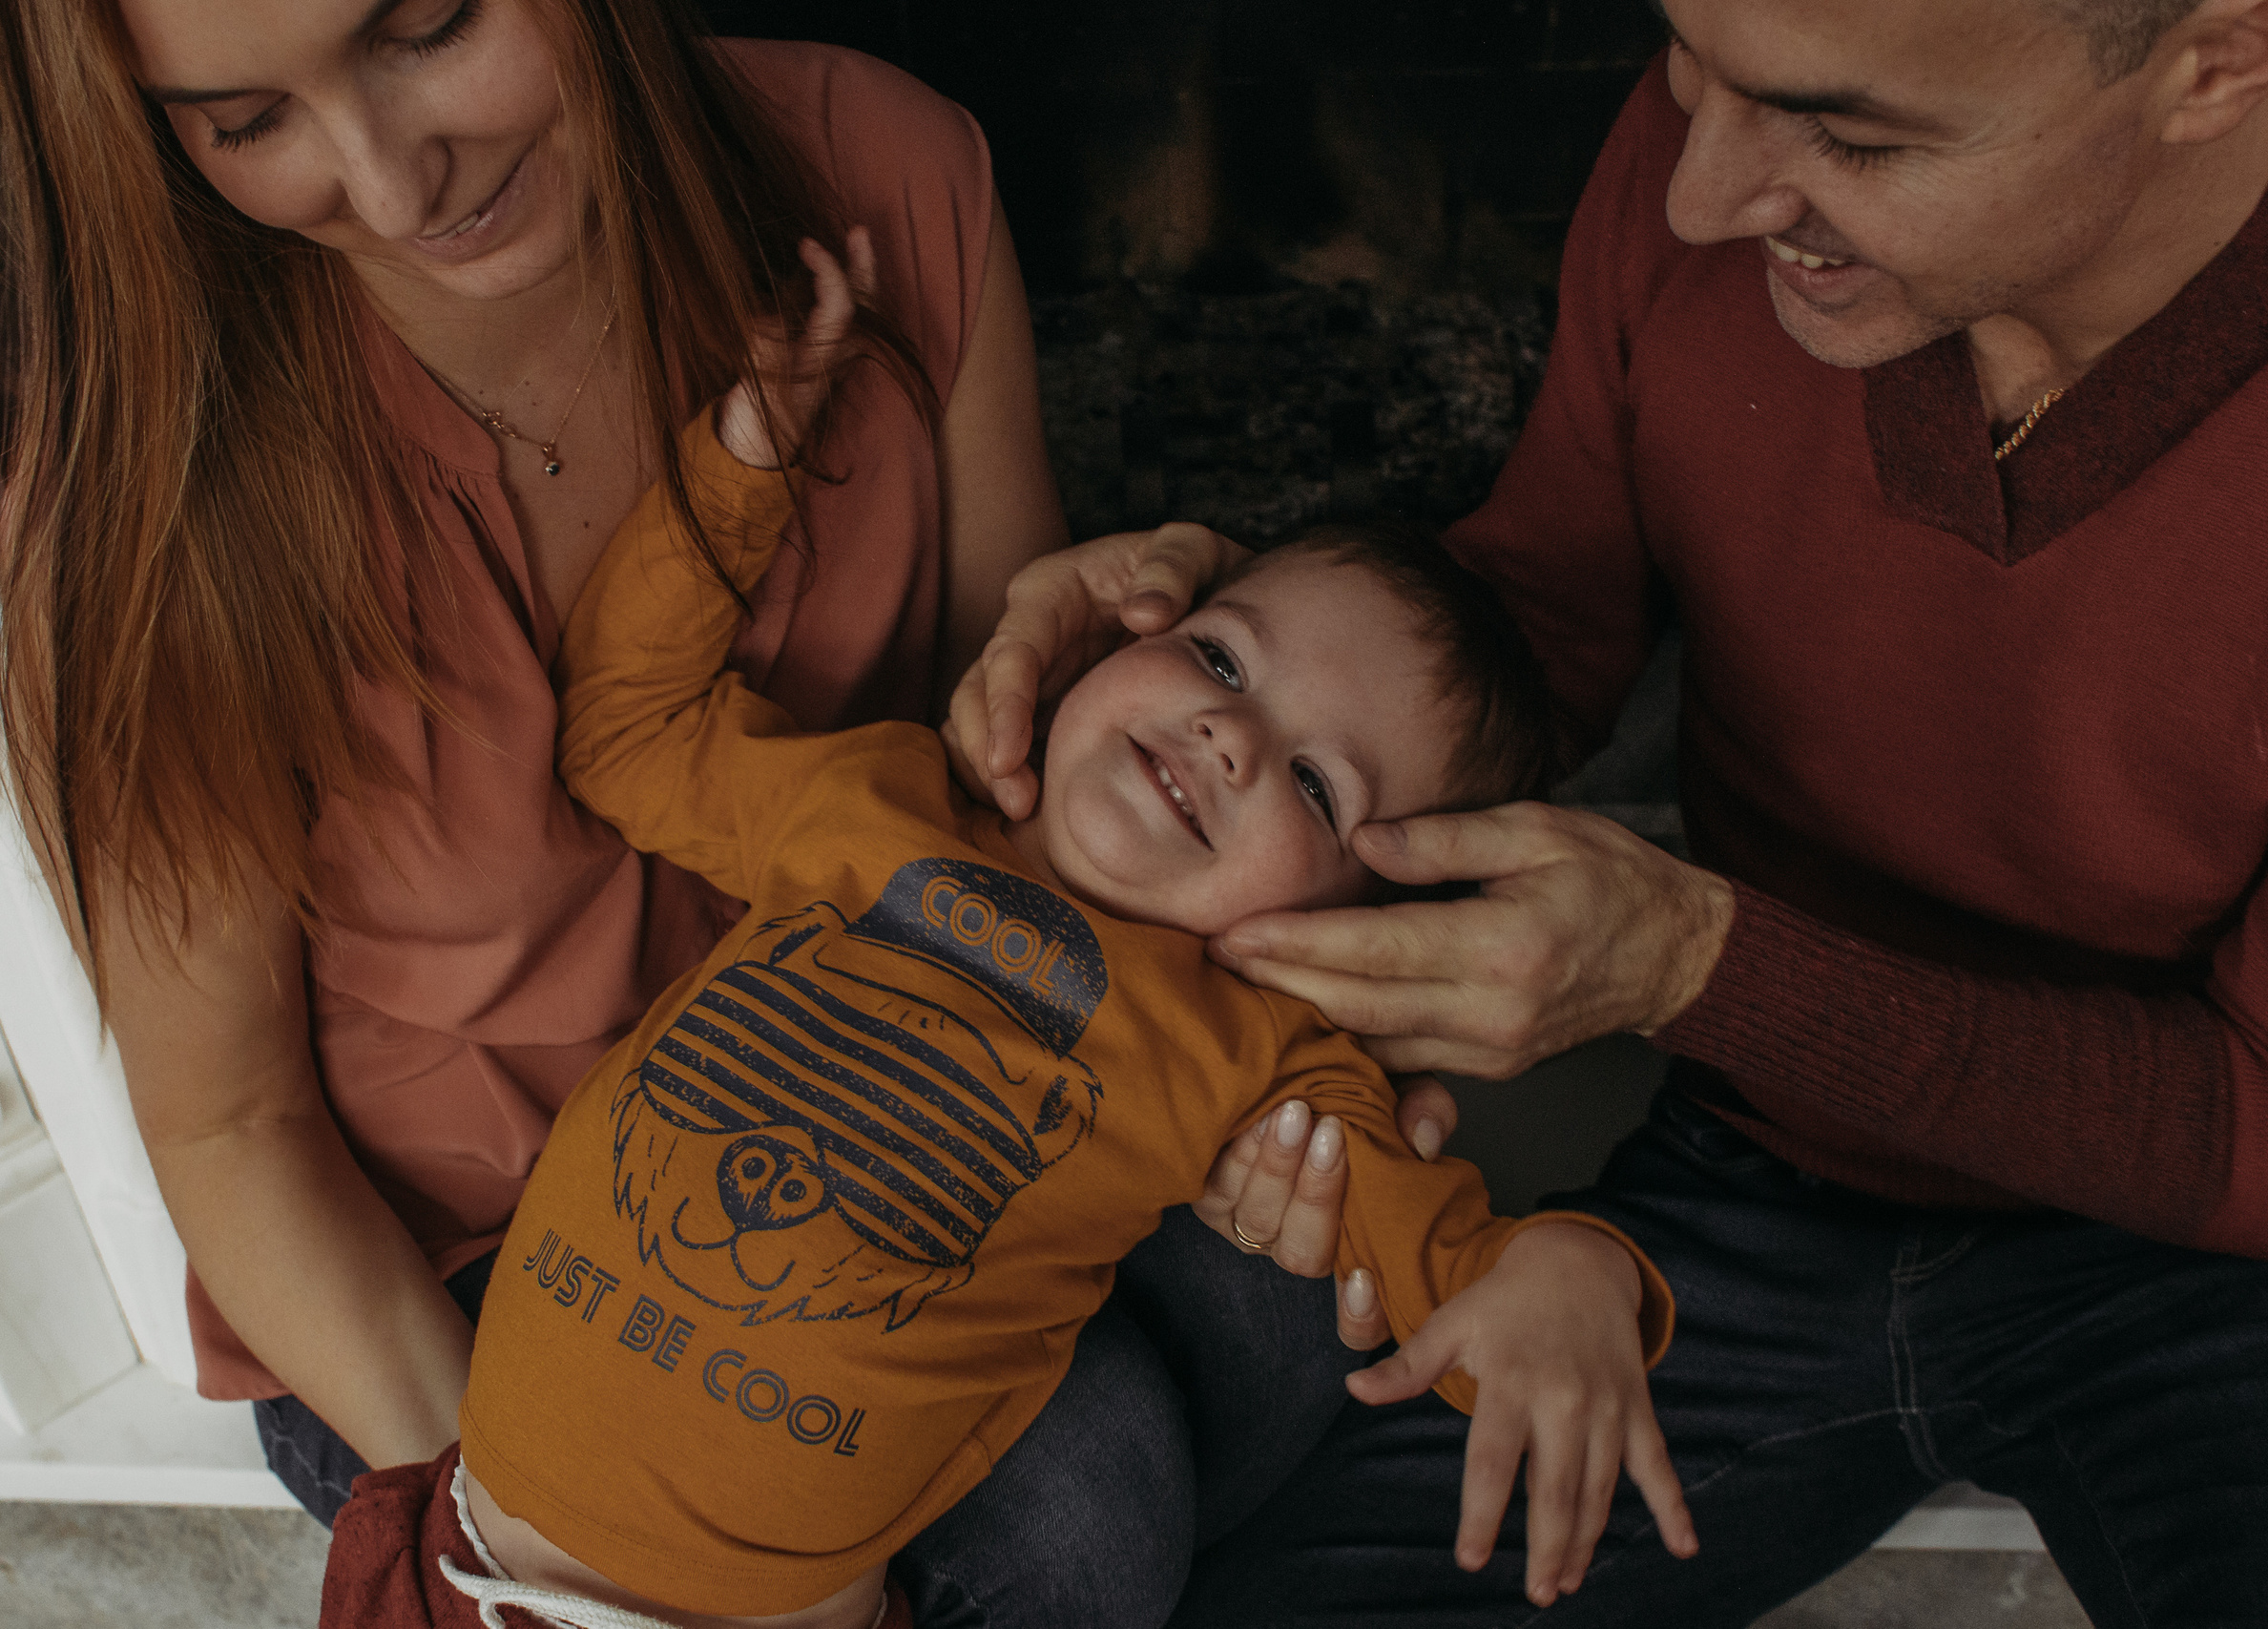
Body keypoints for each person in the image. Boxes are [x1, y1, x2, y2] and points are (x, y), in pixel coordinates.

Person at [951, 0, 2268, 1622]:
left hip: (2254, 1265)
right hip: (1748, 1181)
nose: (1696, 190)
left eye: (1853, 136)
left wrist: (1697, 974)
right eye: (1685, 56)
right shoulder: (1733, 136)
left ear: (2226, 54)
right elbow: (1547, 623)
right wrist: (1238, 655)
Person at [315, 284, 1683, 1629]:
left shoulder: (1258, 1051)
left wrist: (1570, 1272)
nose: (1230, 740)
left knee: (1286, 1338)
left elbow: (1448, 1256)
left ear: (1346, 912)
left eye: (1317, 789)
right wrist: (739, 467)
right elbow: (625, 726)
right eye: (1219, 660)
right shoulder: (877, 801)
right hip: (455, 1564)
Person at [0, 0, 1113, 1566]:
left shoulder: (887, 170)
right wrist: (552, 1542)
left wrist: (1167, 655)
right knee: (1074, 1511)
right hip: (459, 1262)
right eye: (246, 122)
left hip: (891, 1120)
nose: (394, 189)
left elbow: (1017, 803)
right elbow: (231, 1123)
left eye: (434, 28)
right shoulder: (130, 468)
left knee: (1265, 1338)